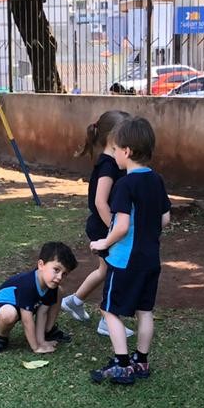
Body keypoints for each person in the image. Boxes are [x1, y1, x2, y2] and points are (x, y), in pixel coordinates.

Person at [90, 116, 171, 386]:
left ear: (126, 151)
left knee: (109, 309)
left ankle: (122, 364)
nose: (113, 154)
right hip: (151, 259)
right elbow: (165, 218)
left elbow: (122, 226)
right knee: (144, 310)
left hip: (125, 261)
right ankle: (141, 361)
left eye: (115, 150)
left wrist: (104, 243)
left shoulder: (125, 184)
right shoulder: (156, 180)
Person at [60, 109, 134, 339]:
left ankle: (74, 301)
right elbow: (100, 202)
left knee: (105, 270)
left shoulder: (114, 162)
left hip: (105, 226)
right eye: (126, 134)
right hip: (103, 227)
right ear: (113, 137)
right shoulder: (108, 166)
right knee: (114, 272)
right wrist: (114, 230)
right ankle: (106, 320)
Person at [0, 242, 77, 353]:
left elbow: (42, 313)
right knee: (9, 315)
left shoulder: (51, 285)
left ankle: (47, 331)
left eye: (64, 274)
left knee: (59, 291)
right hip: (0, 305)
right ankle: (1, 337)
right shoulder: (28, 284)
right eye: (56, 270)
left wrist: (41, 341)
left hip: (23, 305)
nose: (59, 277)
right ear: (41, 265)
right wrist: (36, 347)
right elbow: (27, 320)